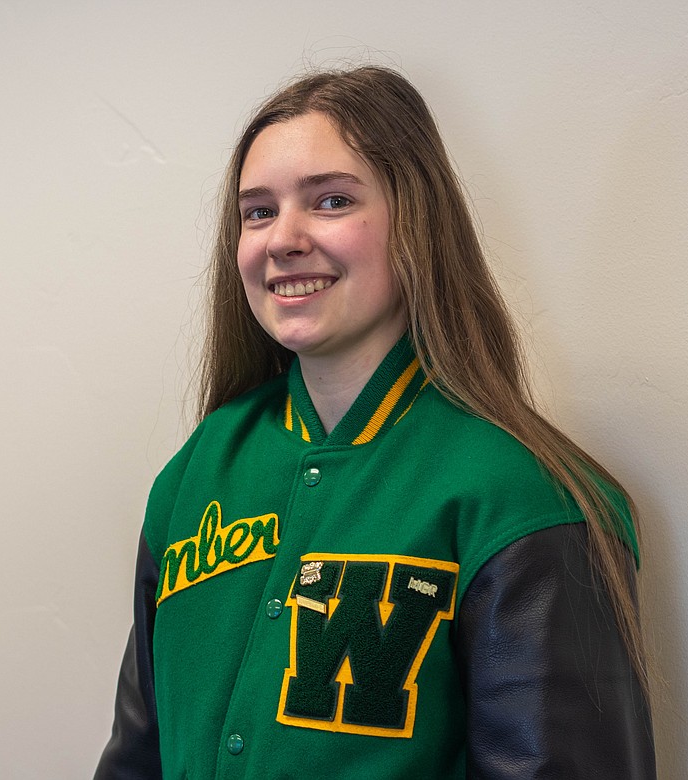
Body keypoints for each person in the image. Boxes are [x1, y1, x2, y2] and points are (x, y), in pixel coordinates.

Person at [95, 66, 656, 779]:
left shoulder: (522, 499)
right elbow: (135, 760)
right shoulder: (195, 474)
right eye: (258, 211)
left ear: (415, 223)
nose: (282, 239)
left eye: (330, 201)